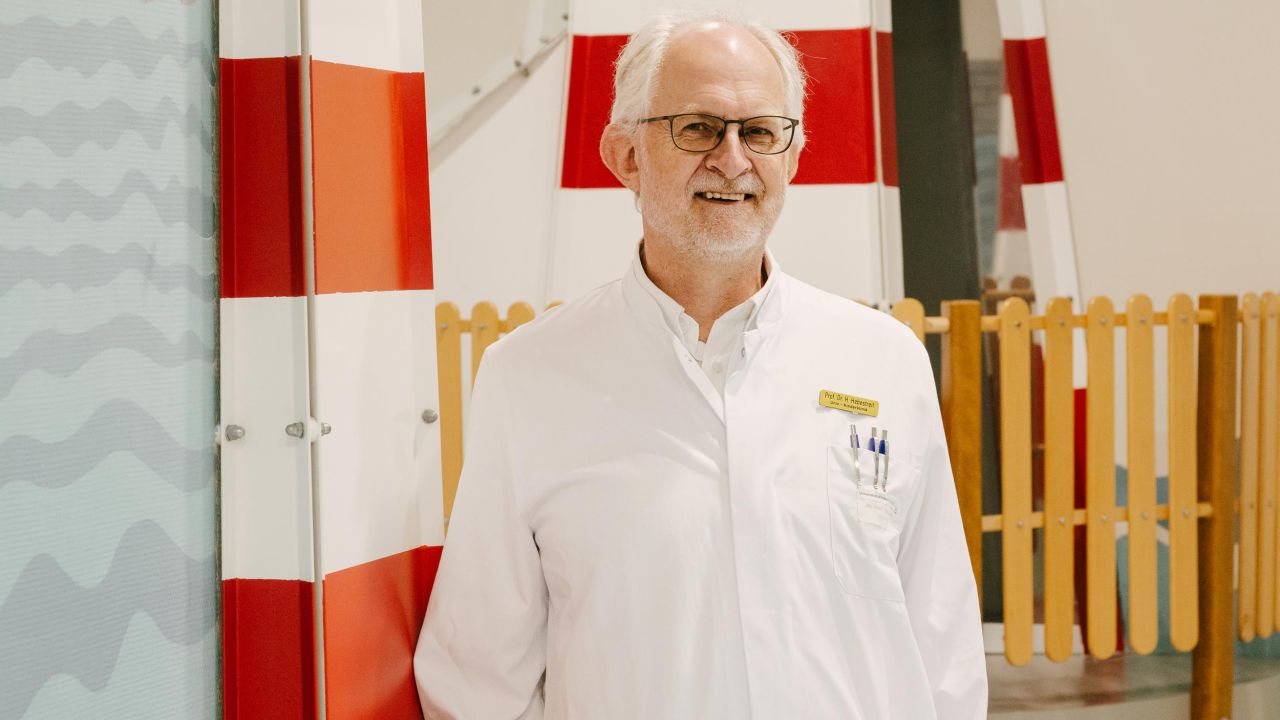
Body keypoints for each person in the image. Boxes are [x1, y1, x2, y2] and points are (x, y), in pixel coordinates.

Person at [415, 10, 987, 719]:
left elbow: (943, 643)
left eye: (760, 132)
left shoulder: (882, 361)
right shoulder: (529, 377)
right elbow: (476, 676)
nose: (733, 159)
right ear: (625, 155)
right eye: (697, 128)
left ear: (793, 156)